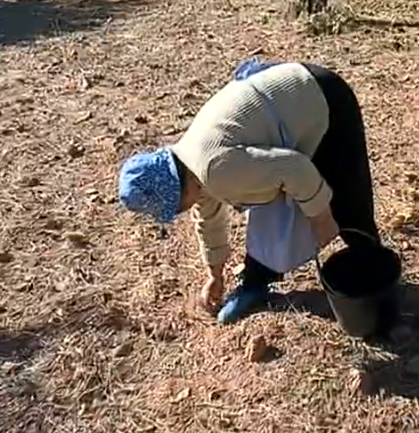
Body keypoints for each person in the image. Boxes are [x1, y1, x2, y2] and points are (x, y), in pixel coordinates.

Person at [117, 57, 381, 324]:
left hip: (322, 98)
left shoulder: (214, 168)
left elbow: (295, 168)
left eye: (174, 207)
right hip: (287, 111)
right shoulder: (192, 167)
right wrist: (215, 275)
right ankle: (256, 282)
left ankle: (377, 277)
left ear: (175, 189)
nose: (180, 211)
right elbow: (208, 220)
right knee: (269, 204)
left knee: (348, 202)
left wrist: (320, 217)